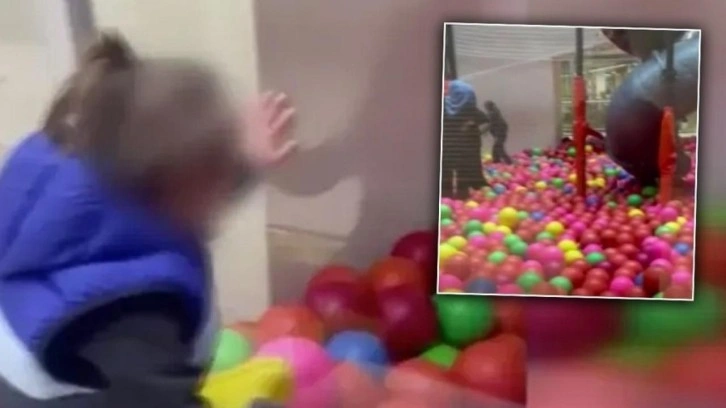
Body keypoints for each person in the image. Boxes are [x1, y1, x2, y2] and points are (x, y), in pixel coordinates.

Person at [0, 33, 295, 407]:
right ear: (177, 185)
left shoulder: (75, 185)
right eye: (220, 173)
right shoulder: (127, 310)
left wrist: (245, 163)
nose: (225, 193)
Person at [441, 80, 489, 200]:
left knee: (452, 172)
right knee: (454, 172)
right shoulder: (467, 108)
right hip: (457, 147)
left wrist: (474, 128)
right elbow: (485, 121)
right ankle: (456, 197)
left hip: (451, 147)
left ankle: (450, 197)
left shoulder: (449, 107)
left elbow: (485, 121)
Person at [482, 100, 513, 164]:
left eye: (486, 106)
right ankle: (496, 161)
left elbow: (489, 125)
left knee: (498, 147)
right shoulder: (495, 112)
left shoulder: (492, 114)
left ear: (489, 106)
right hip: (500, 132)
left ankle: (509, 162)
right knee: (496, 147)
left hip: (500, 132)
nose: (485, 108)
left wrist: (481, 132)